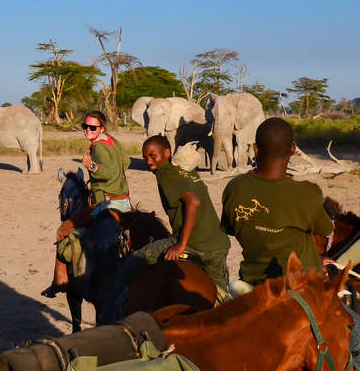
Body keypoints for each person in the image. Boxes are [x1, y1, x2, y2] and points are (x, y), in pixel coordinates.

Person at [99, 135, 230, 323]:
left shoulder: (165, 172)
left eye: (153, 155)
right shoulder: (186, 169)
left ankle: (107, 319)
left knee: (131, 263)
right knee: (223, 301)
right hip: (218, 245)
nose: (149, 161)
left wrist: (181, 244)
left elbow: (193, 201)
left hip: (192, 243)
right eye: (146, 157)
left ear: (167, 153)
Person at [220, 117, 334, 293]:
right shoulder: (308, 193)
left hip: (252, 283)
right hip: (300, 288)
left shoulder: (235, 187)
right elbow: (324, 230)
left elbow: (231, 229)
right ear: (293, 149)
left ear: (256, 149)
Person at [42, 110, 132, 298]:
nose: (87, 130)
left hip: (106, 203)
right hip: (125, 201)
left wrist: (90, 165)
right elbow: (127, 162)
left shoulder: (97, 147)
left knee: (63, 230)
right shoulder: (113, 141)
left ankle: (59, 281)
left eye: (93, 127)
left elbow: (106, 173)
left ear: (101, 128)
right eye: (85, 126)